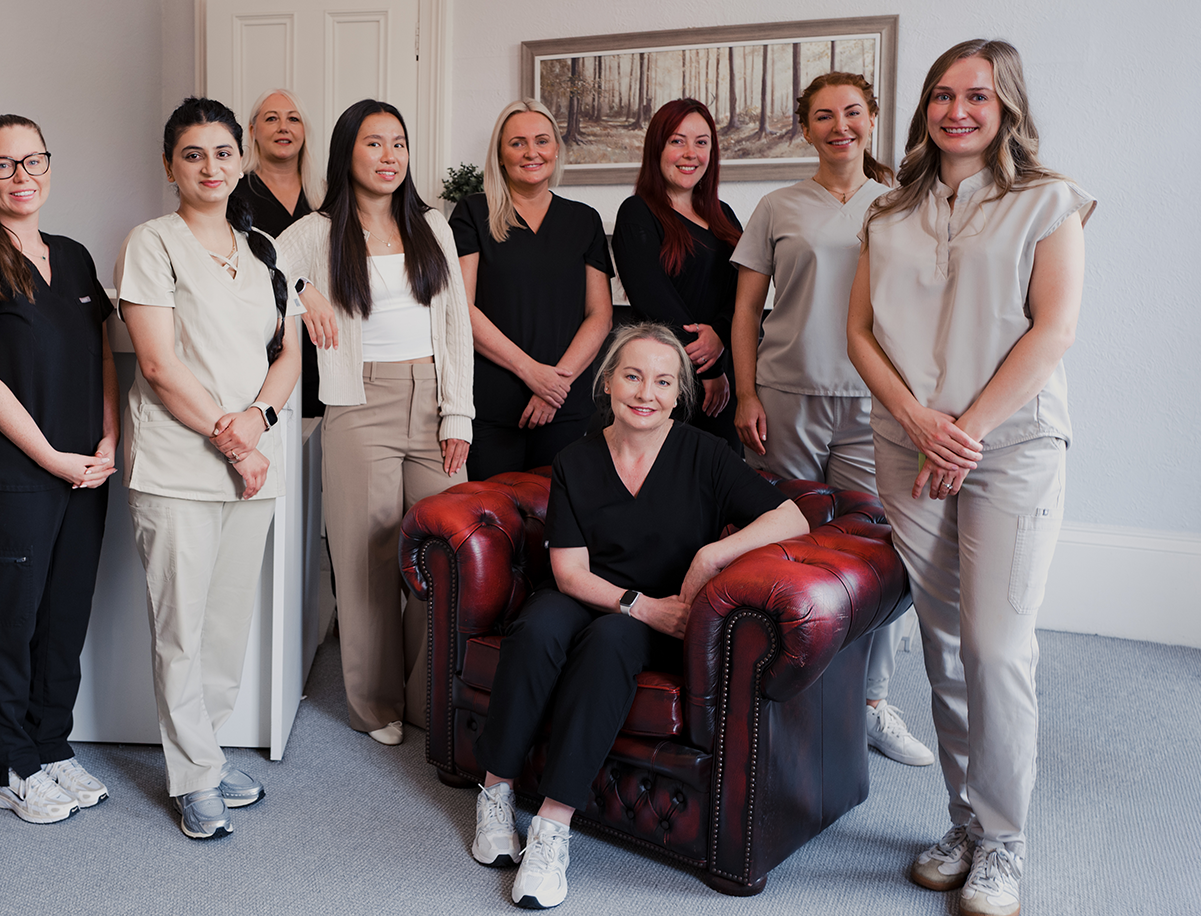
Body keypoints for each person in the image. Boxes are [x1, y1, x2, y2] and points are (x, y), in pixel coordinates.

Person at [847, 40, 1091, 916]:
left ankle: (1007, 842)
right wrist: (920, 424)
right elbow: (861, 336)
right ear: (925, 110)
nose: (958, 110)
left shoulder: (1048, 202)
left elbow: (1052, 331)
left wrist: (967, 431)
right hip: (908, 448)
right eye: (943, 95)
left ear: (1006, 107)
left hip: (1011, 447)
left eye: (977, 96)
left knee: (996, 649)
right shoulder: (888, 213)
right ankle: (965, 824)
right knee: (944, 645)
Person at [468, 323, 809, 909]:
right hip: (590, 592)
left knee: (608, 647)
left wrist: (712, 554)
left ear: (679, 393)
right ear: (608, 383)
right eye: (632, 375)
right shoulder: (576, 458)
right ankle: (495, 789)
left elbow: (793, 519)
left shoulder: (707, 454)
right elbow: (570, 574)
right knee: (536, 628)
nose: (645, 392)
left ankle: (552, 826)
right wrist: (638, 605)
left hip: (656, 615)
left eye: (662, 380)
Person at [728, 73, 933, 769]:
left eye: (852, 112)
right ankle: (780, 697)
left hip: (875, 402)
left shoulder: (904, 205)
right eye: (823, 115)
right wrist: (748, 394)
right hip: (786, 396)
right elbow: (745, 311)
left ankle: (871, 703)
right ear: (805, 127)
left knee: (883, 555)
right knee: (783, 548)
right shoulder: (777, 206)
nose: (839, 125)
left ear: (873, 119)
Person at [119, 97, 303, 840]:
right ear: (170, 165)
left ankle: (212, 751)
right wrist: (235, 442)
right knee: (182, 628)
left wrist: (258, 421)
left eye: (223, 152)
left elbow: (290, 352)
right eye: (193, 154)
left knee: (227, 626)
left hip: (255, 463)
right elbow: (160, 365)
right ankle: (193, 777)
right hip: (180, 465)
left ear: (242, 160)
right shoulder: (151, 242)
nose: (210, 166)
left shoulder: (266, 248)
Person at [0, 112, 119, 826]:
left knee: (65, 619)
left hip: (86, 475)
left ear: (49, 166)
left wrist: (108, 439)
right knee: (11, 626)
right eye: (4, 164)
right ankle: (10, 767)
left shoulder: (72, 257)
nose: (22, 176)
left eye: (32, 161)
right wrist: (50, 457)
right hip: (15, 478)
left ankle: (50, 744)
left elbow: (101, 355)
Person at [277, 99, 474, 746]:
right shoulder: (316, 230)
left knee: (442, 557)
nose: (390, 156)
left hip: (434, 401)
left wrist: (459, 415)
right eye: (374, 144)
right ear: (346, 153)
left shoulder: (433, 227)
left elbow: (455, 329)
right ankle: (373, 703)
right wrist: (304, 293)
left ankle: (425, 697)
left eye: (399, 144)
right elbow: (259, 266)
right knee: (366, 562)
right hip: (358, 406)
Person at [450, 99, 613, 480]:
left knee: (560, 525)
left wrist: (555, 383)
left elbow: (601, 315)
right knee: (492, 526)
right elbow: (461, 307)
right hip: (493, 407)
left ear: (556, 148)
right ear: (501, 155)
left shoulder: (584, 220)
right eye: (517, 143)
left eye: (542, 141)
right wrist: (530, 373)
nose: (531, 152)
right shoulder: (473, 213)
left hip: (566, 404)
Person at [612, 98, 743, 455]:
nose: (690, 153)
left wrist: (719, 334)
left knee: (723, 491)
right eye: (677, 141)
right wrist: (707, 368)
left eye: (701, 142)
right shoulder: (637, 212)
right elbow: (655, 300)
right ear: (657, 148)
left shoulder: (725, 217)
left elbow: (744, 294)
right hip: (664, 386)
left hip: (723, 385)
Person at [233, 88, 326, 418]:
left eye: (293, 119)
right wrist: (300, 289)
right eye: (271, 119)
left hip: (323, 340)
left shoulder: (327, 196)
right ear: (253, 130)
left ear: (304, 131)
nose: (283, 127)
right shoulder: (233, 194)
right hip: (263, 338)